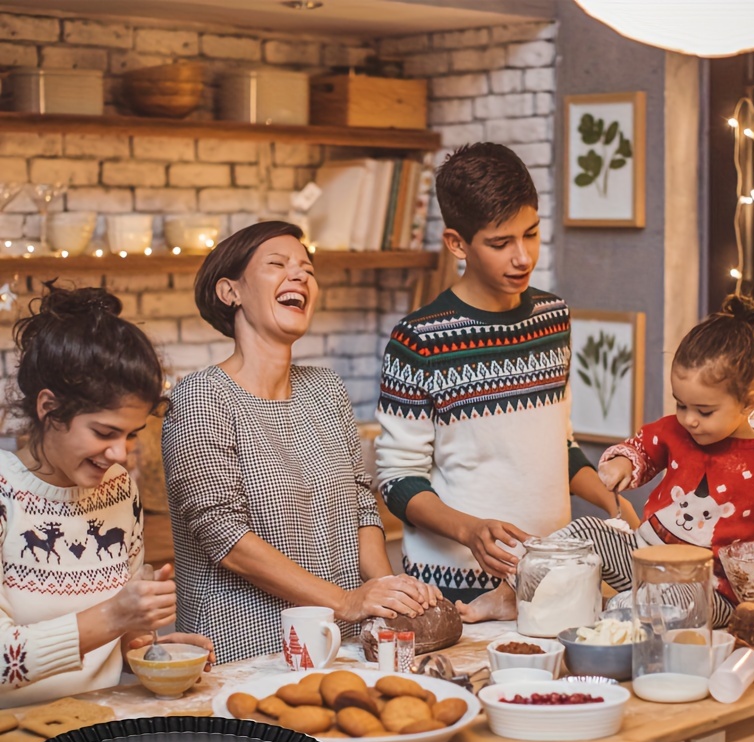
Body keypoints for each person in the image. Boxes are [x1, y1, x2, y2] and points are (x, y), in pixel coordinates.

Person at [374, 142, 639, 624]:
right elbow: (397, 480)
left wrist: (610, 500)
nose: (523, 257)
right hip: (452, 588)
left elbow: (559, 443)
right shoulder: (418, 340)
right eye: (501, 244)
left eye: (532, 234)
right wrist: (471, 531)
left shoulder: (552, 316)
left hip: (553, 576)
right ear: (457, 243)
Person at [161, 221, 440, 666]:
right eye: (277, 264)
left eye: (307, 269)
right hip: (247, 652)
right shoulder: (201, 397)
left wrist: (388, 598)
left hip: (344, 645)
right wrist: (346, 601)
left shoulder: (326, 389)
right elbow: (225, 538)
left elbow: (360, 505)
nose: (300, 277)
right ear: (230, 292)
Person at [573, 293, 754, 626]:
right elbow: (643, 449)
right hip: (642, 557)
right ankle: (531, 587)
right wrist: (623, 463)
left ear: (749, 403)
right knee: (585, 531)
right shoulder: (676, 430)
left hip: (708, 591)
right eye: (681, 405)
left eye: (704, 411)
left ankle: (620, 612)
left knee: (675, 599)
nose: (689, 419)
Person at [0, 283, 214, 709]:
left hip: (100, 725)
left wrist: (149, 651)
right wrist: (113, 616)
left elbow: (111, 641)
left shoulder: (117, 489)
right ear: (49, 408)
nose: (120, 454)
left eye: (131, 435)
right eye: (104, 432)